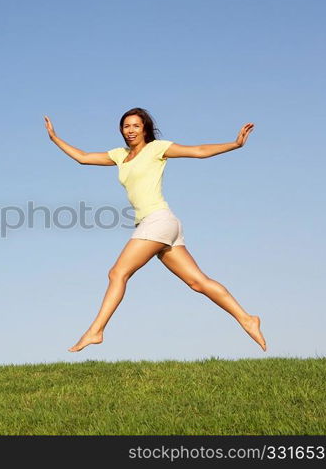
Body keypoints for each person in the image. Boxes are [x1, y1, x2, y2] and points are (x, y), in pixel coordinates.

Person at [44, 107, 266, 353]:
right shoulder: (120, 155)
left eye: (136, 126)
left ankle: (95, 331)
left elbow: (198, 151)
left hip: (157, 221)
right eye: (126, 126)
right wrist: (55, 138)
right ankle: (247, 319)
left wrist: (234, 144)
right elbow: (83, 157)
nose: (130, 130)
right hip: (162, 225)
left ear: (145, 129)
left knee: (117, 273)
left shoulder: (157, 149)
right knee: (198, 282)